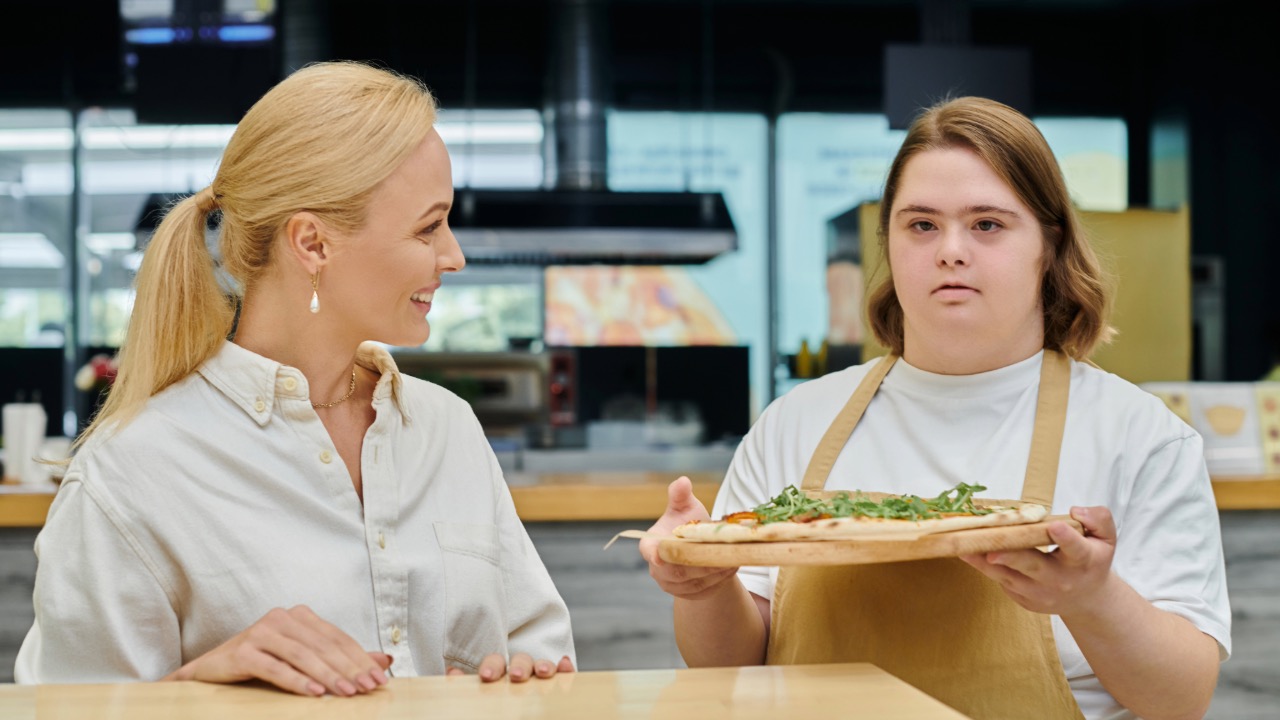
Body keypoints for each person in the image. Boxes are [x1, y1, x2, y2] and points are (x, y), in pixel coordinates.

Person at [641, 97, 1230, 720]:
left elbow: (1180, 701)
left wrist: (1093, 597)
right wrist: (703, 587)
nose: (951, 251)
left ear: (1048, 246)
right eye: (921, 225)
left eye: (987, 225)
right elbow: (730, 668)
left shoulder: (1141, 438)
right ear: (889, 245)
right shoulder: (796, 422)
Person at [16, 61, 575, 696]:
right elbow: (62, 706)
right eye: (428, 227)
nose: (454, 256)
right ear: (311, 243)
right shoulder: (129, 472)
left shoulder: (447, 426)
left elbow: (541, 646)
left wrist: (530, 676)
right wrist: (194, 687)